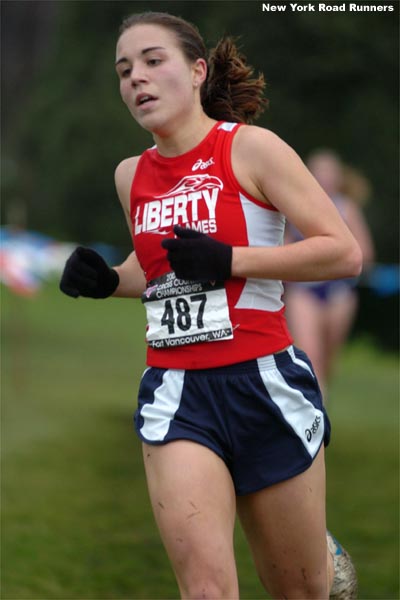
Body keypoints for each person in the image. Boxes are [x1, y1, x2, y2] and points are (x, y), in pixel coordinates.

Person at [59, 11, 362, 599]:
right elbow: (162, 273)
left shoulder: (252, 150)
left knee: (300, 591)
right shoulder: (131, 175)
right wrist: (107, 280)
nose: (136, 80)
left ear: (197, 71)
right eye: (124, 71)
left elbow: (342, 254)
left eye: (152, 61)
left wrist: (232, 260)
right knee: (205, 591)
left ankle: (325, 566)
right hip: (177, 392)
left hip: (262, 383)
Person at [284, 150, 375, 397]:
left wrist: (332, 256)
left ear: (337, 179)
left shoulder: (347, 209)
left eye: (328, 173)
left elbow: (364, 254)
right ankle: (315, 417)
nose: (324, 179)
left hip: (339, 292)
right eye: (319, 173)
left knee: (327, 360)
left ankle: (320, 403)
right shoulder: (295, 206)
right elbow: (283, 250)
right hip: (304, 291)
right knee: (310, 356)